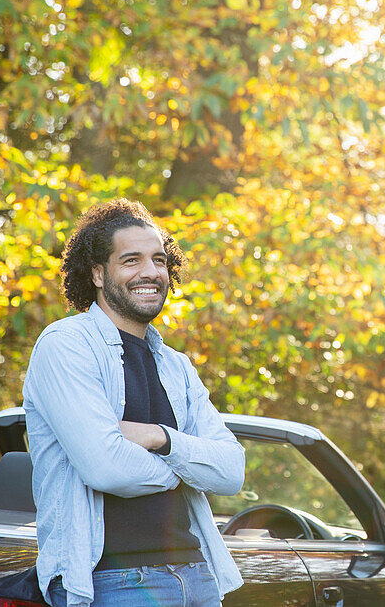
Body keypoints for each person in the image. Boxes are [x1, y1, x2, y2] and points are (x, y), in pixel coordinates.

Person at [23, 199, 245, 607]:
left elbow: (231, 472)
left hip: (198, 575)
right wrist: (188, 468)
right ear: (97, 274)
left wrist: (160, 438)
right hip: (113, 581)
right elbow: (105, 468)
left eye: (159, 260)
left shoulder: (176, 365)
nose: (150, 272)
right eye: (131, 260)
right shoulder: (66, 346)